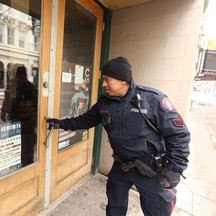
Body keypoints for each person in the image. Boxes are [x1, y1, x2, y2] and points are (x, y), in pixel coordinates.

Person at [47, 57, 190, 216]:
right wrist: (60, 124)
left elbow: (179, 135)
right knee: (114, 206)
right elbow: (86, 120)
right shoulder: (105, 102)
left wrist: (175, 168)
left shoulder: (152, 99)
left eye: (107, 80)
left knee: (157, 211)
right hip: (122, 165)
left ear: (123, 80)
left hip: (150, 170)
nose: (103, 84)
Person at [1, 66, 37, 166]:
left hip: (26, 124)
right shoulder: (12, 85)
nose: (19, 77)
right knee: (17, 147)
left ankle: (26, 166)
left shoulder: (28, 86)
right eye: (19, 75)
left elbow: (34, 104)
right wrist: (3, 112)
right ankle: (19, 165)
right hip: (17, 122)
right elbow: (6, 100)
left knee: (27, 149)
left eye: (21, 75)